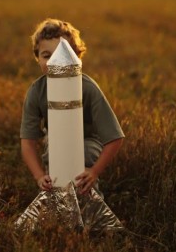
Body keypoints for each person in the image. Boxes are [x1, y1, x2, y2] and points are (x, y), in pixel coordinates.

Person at [20, 18, 125, 195]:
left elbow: (115, 137)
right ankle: (55, 200)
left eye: (61, 55)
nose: (55, 61)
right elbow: (27, 141)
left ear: (76, 58)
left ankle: (89, 199)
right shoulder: (36, 91)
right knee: (54, 157)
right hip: (55, 142)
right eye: (46, 55)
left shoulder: (88, 88)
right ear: (37, 58)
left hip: (89, 142)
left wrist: (94, 171)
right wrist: (39, 176)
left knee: (84, 154)